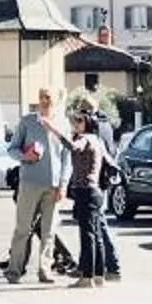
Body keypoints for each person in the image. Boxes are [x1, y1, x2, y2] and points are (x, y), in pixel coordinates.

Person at [1, 87, 69, 283]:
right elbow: (12, 149)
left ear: (56, 100)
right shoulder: (28, 122)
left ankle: (45, 270)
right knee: (23, 229)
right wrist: (25, 156)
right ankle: (14, 270)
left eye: (48, 98)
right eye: (41, 98)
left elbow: (67, 158)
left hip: (53, 186)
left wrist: (63, 184)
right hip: (29, 183)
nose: (44, 101)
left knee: (49, 231)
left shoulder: (62, 124)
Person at [65, 109, 123, 285]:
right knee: (96, 233)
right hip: (96, 190)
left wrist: (55, 131)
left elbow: (74, 147)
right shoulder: (97, 140)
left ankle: (87, 277)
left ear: (87, 124)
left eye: (79, 122)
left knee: (88, 234)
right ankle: (99, 276)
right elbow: (110, 162)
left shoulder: (86, 139)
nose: (75, 125)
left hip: (86, 190)